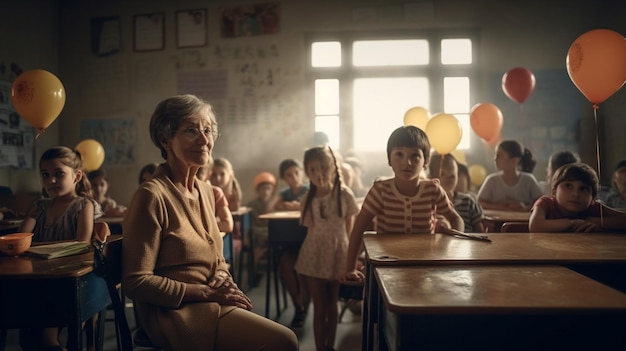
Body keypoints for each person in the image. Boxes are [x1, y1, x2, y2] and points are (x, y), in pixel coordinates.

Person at [122, 94, 298, 351]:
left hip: (211, 301)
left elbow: (217, 259)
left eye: (208, 130)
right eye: (191, 130)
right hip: (176, 312)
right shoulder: (151, 195)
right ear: (164, 139)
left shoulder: (206, 191)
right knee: (284, 342)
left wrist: (223, 277)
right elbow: (136, 282)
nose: (205, 140)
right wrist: (206, 293)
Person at [342, 126, 464, 283]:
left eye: (415, 156)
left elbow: (456, 219)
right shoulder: (380, 191)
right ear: (389, 159)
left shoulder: (432, 190)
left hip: (425, 268)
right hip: (385, 269)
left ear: (425, 161)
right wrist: (350, 268)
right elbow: (358, 229)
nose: (407, 162)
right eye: (399, 154)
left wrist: (452, 247)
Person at [19, 146, 102, 351]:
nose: (51, 181)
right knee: (27, 334)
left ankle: (52, 341)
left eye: (59, 174)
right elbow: (21, 239)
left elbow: (81, 244)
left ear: (76, 176)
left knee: (46, 337)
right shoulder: (39, 206)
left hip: (68, 278)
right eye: (45, 175)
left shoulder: (84, 205)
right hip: (38, 277)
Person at [295, 145, 359, 351]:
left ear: (333, 167)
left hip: (338, 254)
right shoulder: (307, 199)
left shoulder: (344, 195)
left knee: (332, 305)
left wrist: (351, 257)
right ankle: (319, 348)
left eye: (323, 167)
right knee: (319, 306)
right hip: (314, 255)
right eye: (312, 170)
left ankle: (330, 347)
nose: (318, 173)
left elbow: (349, 232)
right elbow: (309, 229)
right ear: (307, 172)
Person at [268, 158, 311, 327]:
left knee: (302, 268)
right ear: (284, 178)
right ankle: (298, 305)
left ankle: (305, 305)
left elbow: (312, 207)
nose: (294, 177)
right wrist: (282, 203)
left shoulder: (309, 189)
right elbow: (270, 208)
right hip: (290, 242)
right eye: (288, 175)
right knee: (285, 266)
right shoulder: (285, 193)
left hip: (308, 241)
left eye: (296, 172)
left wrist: (297, 206)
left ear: (302, 173)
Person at [529, 162, 626, 232]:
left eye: (583, 189)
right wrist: (573, 223)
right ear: (553, 192)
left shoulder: (593, 208)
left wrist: (597, 222)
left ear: (592, 198)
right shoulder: (545, 203)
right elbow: (535, 225)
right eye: (568, 186)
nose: (575, 194)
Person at [477, 139, 543, 211]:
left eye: (499, 156)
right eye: (495, 155)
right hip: (496, 221)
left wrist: (524, 208)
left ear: (514, 160)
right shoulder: (491, 180)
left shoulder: (529, 180)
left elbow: (542, 203)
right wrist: (502, 207)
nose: (495, 159)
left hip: (522, 221)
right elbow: (479, 203)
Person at [429, 152, 485, 232]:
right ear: (432, 176)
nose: (448, 179)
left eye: (452, 176)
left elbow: (481, 233)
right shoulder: (427, 203)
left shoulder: (469, 201)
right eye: (442, 174)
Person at [247, 171, 277, 271]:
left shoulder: (276, 203)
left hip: (272, 231)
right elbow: (250, 223)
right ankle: (254, 272)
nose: (265, 192)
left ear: (272, 190)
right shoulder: (252, 205)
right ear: (258, 190)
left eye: (268, 189)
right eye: (262, 189)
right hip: (258, 233)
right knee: (257, 245)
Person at [196, 158, 234, 234]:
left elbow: (228, 224)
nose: (195, 177)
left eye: (200, 173)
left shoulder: (215, 192)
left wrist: (198, 225)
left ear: (208, 175)